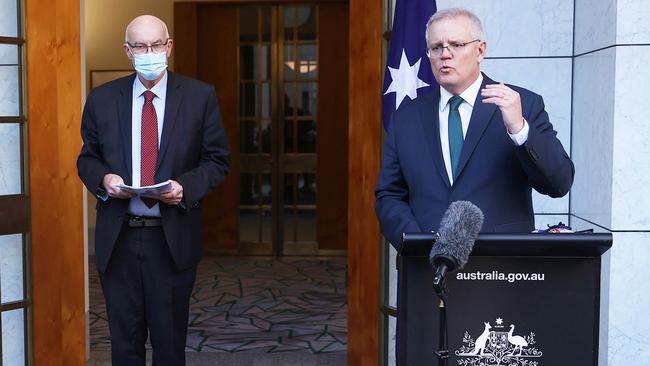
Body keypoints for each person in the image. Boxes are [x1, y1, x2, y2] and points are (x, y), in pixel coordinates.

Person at [77, 15, 230, 365]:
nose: (150, 53)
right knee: (125, 347)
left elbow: (218, 160)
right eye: (140, 47)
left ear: (169, 46)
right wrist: (104, 179)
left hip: (171, 240)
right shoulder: (102, 99)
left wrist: (184, 187)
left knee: (169, 347)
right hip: (119, 242)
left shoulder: (198, 97)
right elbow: (88, 158)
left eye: (156, 45)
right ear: (127, 51)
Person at [375, 8, 574, 248]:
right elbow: (389, 195)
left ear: (480, 50)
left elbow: (559, 184)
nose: (444, 55)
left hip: (501, 268)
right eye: (436, 47)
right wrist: (415, 244)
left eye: (456, 45)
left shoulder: (522, 104)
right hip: (425, 269)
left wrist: (520, 130)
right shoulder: (406, 118)